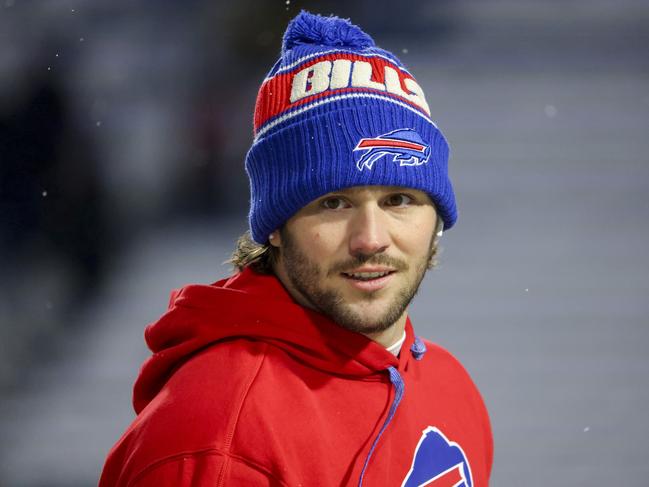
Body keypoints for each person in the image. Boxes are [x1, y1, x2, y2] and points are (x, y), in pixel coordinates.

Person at [99, 11, 493, 487]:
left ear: (437, 218)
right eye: (333, 202)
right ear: (275, 227)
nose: (370, 238)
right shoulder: (216, 439)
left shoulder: (452, 390)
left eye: (399, 200)